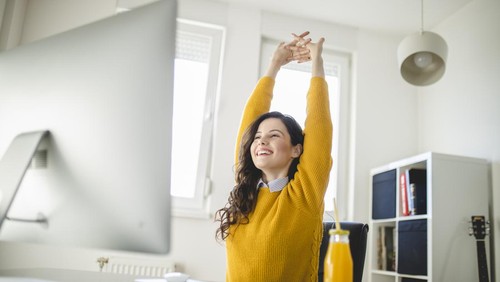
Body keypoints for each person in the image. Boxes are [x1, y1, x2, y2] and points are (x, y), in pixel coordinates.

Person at [215, 31, 333, 281]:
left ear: (296, 150)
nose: (262, 141)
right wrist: (274, 64)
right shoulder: (245, 189)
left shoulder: (304, 194)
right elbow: (251, 120)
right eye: (258, 137)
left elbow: (319, 126)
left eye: (275, 135)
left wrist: (316, 62)